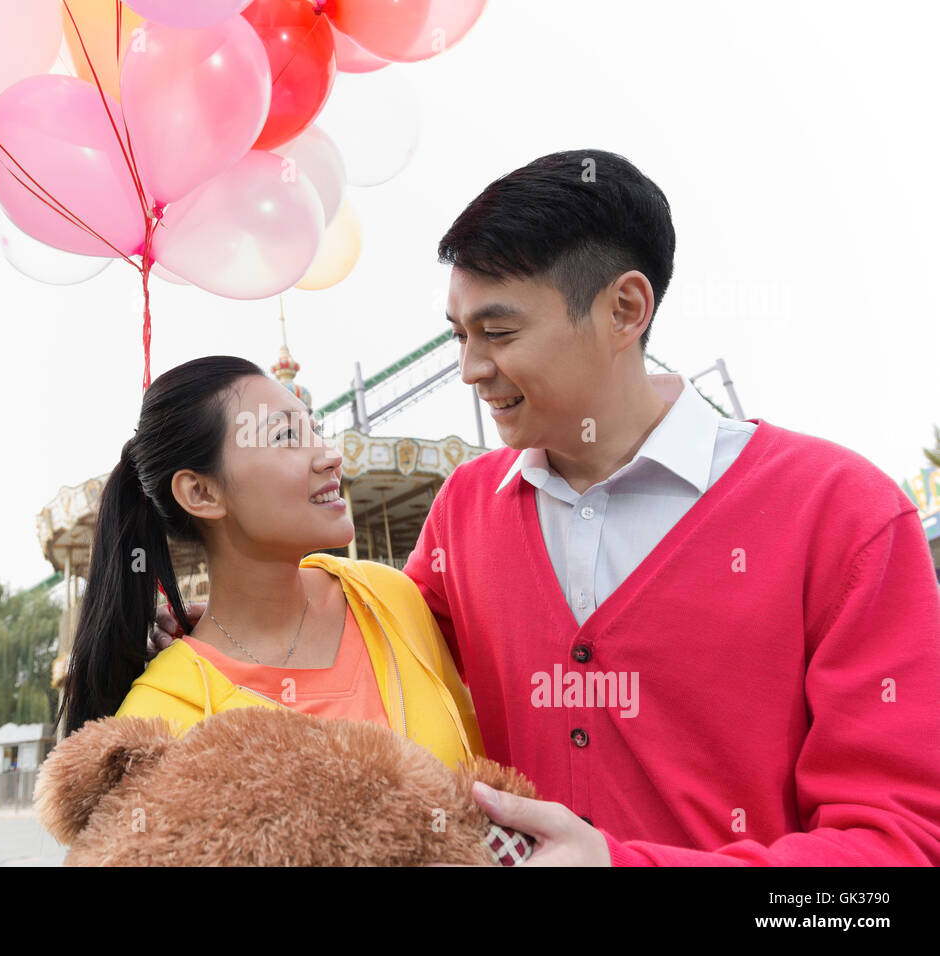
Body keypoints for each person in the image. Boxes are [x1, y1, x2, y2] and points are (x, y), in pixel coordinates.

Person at [159, 149, 940, 866]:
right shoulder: (466, 512)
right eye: (458, 335)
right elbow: (378, 644)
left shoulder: (843, 517)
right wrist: (219, 620)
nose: (470, 369)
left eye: (497, 331)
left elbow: (893, 855)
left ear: (625, 311)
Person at [54, 355, 485, 772]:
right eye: (285, 437)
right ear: (201, 493)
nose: (330, 455)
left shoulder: (385, 597)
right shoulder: (162, 716)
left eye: (315, 430)